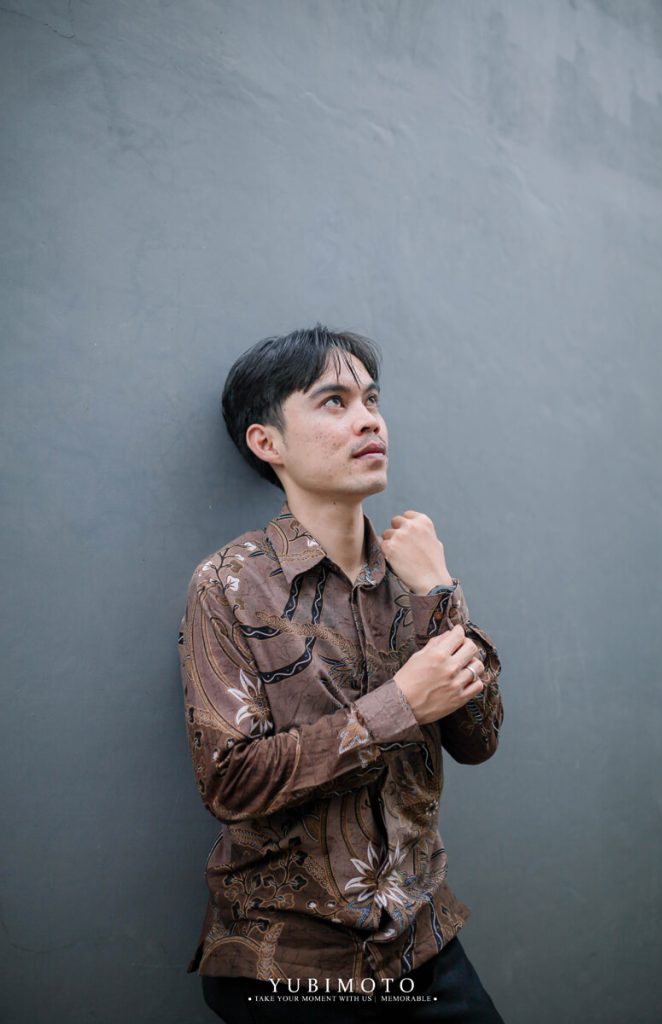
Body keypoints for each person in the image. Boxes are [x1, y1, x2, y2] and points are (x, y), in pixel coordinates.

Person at [178, 324, 506, 1022]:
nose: (369, 419)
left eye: (372, 399)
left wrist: (439, 591)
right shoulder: (230, 584)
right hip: (286, 961)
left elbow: (478, 740)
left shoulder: (414, 576)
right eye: (334, 401)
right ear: (267, 442)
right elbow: (229, 780)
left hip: (421, 940)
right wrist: (399, 704)